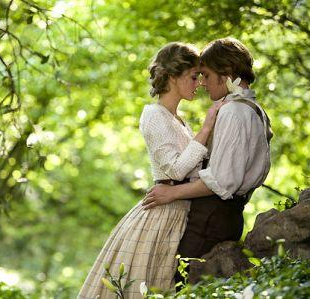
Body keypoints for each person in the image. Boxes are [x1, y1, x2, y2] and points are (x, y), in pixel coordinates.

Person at [78, 42, 225, 298]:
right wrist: (207, 126)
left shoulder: (178, 120)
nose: (199, 83)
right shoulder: (153, 115)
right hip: (163, 213)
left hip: (181, 208)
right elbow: (176, 169)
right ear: (172, 76)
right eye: (193, 77)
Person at [142, 37, 272, 286]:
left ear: (225, 74)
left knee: (182, 285)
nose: (203, 83)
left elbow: (221, 181)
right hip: (224, 212)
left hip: (213, 214)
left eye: (206, 75)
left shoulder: (234, 112)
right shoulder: (253, 109)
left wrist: (171, 193)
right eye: (196, 76)